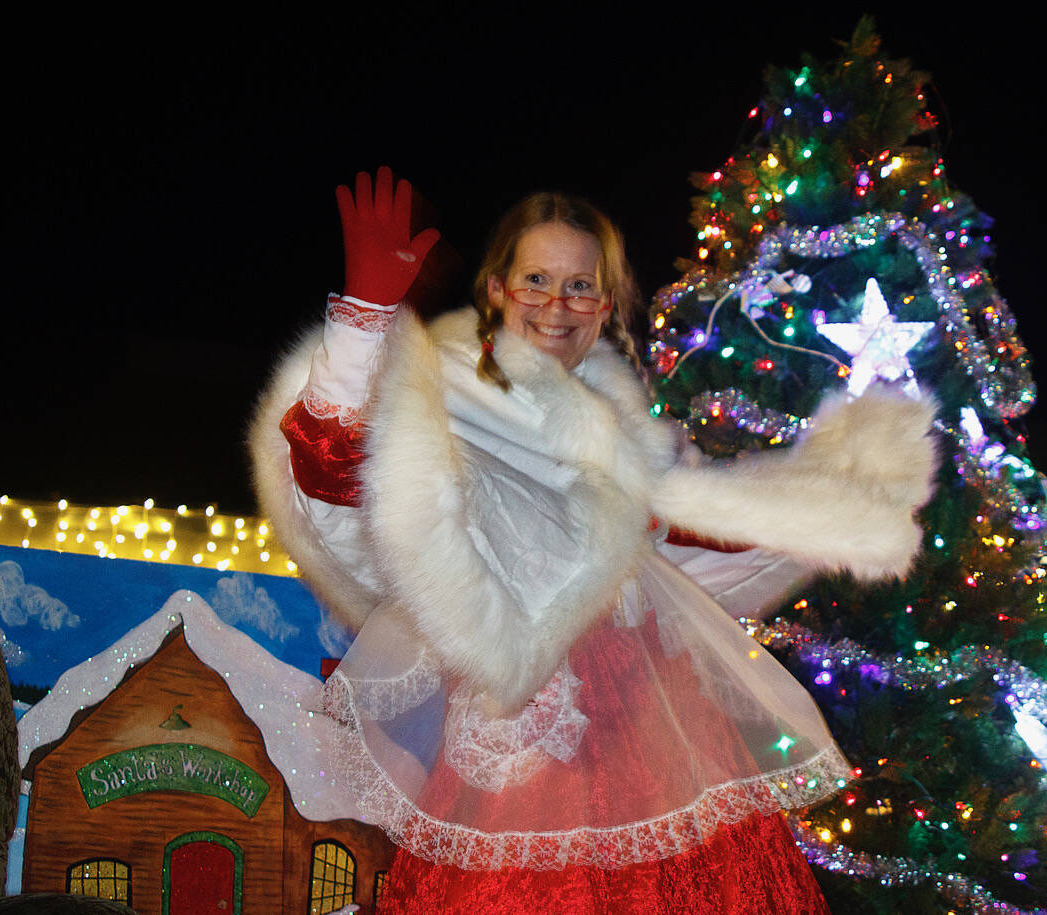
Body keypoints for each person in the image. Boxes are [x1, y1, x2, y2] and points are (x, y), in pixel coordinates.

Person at [251, 167, 937, 913]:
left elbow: (712, 549)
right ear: (496, 291)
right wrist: (363, 320)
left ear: (605, 305)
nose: (556, 304)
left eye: (580, 285)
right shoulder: (444, 413)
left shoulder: (636, 441)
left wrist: (839, 493)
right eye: (536, 278)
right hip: (526, 761)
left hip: (662, 749)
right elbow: (338, 478)